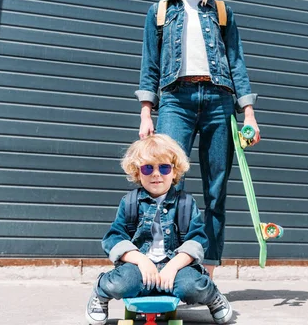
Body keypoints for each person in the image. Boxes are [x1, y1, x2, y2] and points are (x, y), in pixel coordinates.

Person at [135, 0, 261, 278]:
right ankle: (166, 260)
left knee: (216, 187)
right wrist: (147, 111)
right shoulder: (159, 12)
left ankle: (206, 268)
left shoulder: (221, 12)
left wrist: (248, 111)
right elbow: (150, 66)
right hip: (176, 99)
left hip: (219, 100)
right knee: (166, 180)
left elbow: (236, 63)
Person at [85, 134, 233, 325]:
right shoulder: (129, 202)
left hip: (175, 268)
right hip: (139, 269)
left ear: (174, 171)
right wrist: (140, 260)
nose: (156, 174)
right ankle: (101, 292)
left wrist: (173, 266)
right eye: (148, 168)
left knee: (192, 285)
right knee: (123, 282)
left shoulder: (186, 203)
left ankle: (212, 295)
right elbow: (114, 238)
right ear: (138, 173)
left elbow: (197, 241)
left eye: (164, 167)